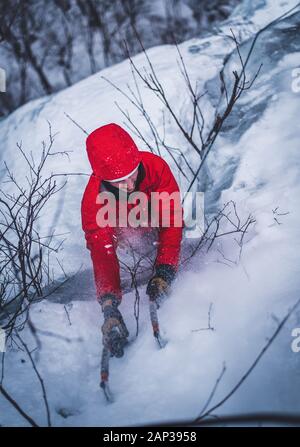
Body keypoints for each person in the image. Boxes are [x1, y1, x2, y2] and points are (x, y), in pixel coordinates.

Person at [81, 123, 184, 357]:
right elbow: (103, 253)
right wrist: (109, 306)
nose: (129, 186)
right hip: (122, 228)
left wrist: (166, 269)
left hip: (150, 220)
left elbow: (172, 219)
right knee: (114, 235)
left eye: (132, 175)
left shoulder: (155, 168)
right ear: (103, 179)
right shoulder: (93, 201)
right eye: (119, 182)